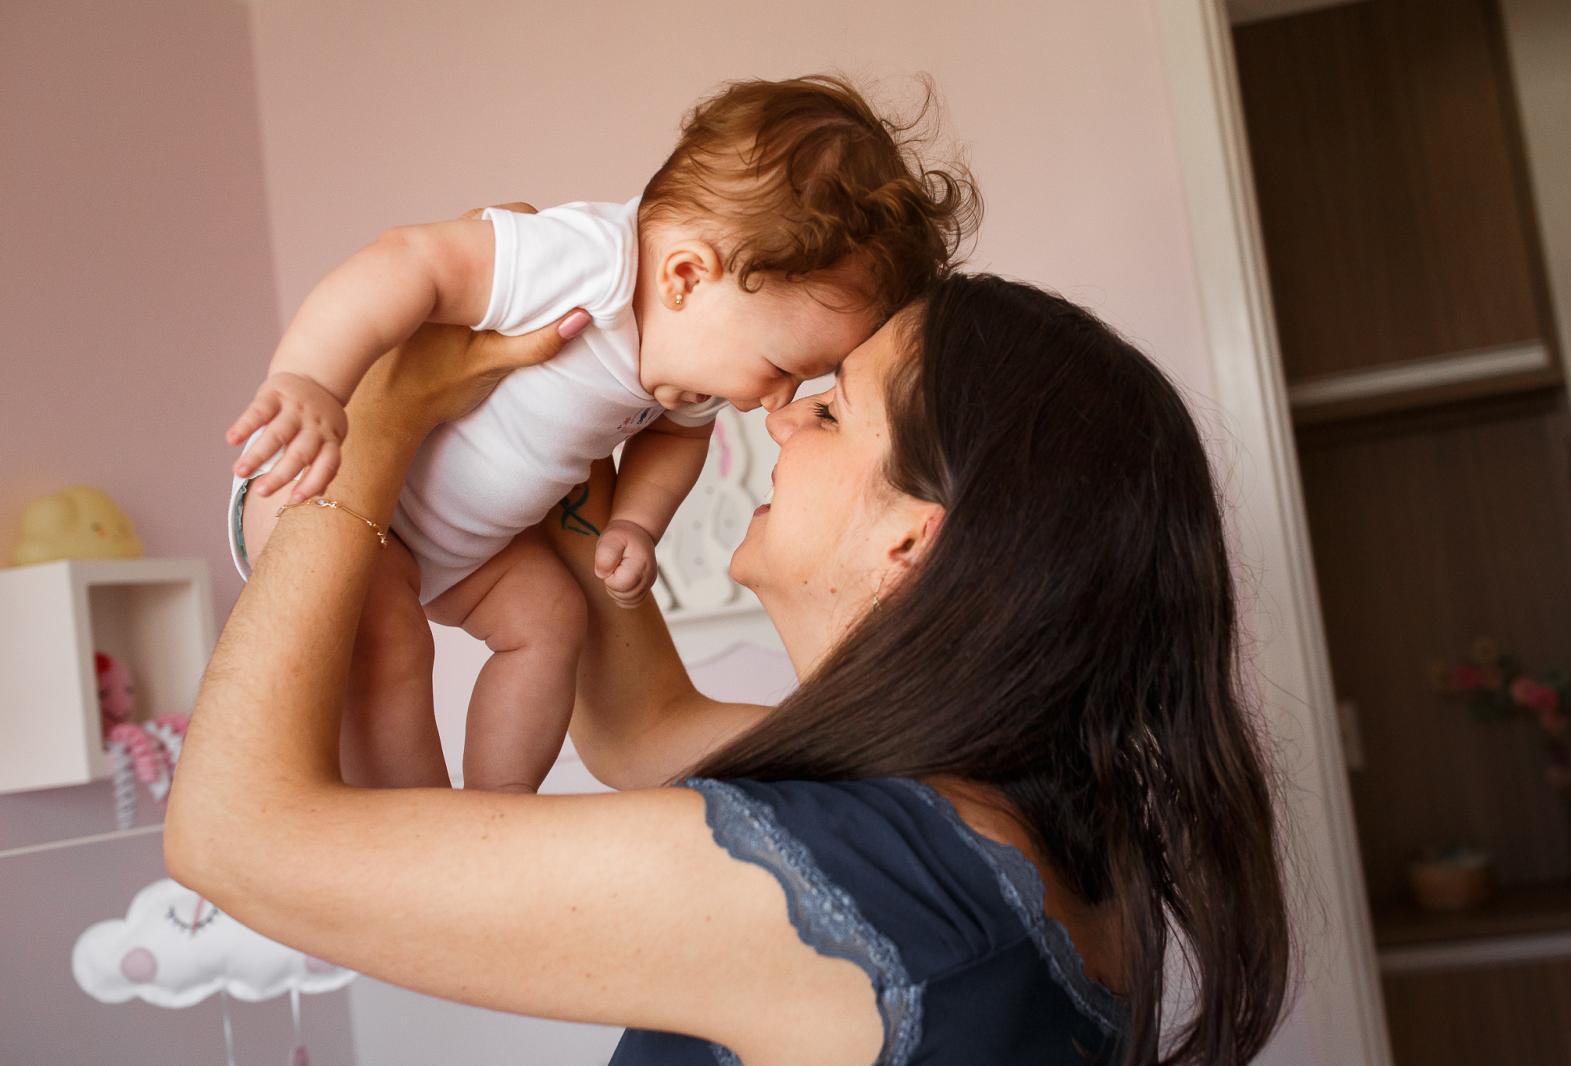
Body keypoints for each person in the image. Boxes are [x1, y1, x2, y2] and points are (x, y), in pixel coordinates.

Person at [168, 273, 1292, 1065]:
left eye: (833, 409)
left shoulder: (874, 879)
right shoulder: (989, 825)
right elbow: (644, 725)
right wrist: (572, 419)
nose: (780, 415)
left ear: (911, 536)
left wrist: (378, 414)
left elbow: (232, 835)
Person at [222, 75, 974, 795]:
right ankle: (412, 820)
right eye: (782, 368)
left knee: (551, 618)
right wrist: (312, 380)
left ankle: (499, 800)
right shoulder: (583, 262)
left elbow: (673, 445)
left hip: (461, 551)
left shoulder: (689, 364)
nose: (774, 404)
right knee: (394, 645)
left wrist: (636, 525)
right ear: (685, 276)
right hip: (324, 487)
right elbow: (408, 260)